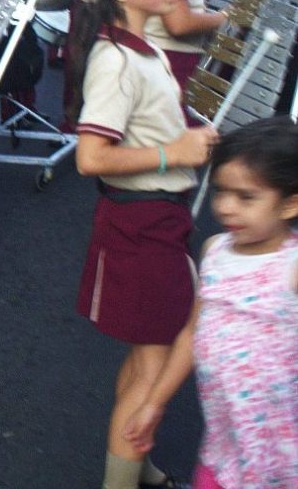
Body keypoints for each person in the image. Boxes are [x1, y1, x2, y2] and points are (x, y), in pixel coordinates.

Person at [69, 0, 220, 489]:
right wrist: (173, 154)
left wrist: (190, 144)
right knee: (154, 368)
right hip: (140, 222)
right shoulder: (116, 60)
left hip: (159, 218)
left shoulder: (143, 49)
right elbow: (91, 158)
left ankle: (136, 468)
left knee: (144, 363)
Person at [123, 116, 298, 489]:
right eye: (221, 191)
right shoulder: (215, 251)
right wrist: (155, 402)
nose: (227, 208)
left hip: (283, 457)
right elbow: (192, 334)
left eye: (246, 197)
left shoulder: (293, 266)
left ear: (289, 205)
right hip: (224, 442)